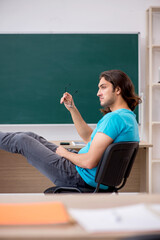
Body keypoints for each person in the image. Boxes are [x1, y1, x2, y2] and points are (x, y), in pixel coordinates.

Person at [0, 70, 141, 190]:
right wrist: (72, 108)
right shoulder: (127, 118)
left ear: (118, 89)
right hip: (87, 173)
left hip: (78, 175)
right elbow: (89, 138)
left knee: (22, 140)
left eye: (103, 87)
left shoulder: (114, 119)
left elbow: (89, 162)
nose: (98, 93)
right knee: (30, 136)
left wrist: (64, 153)